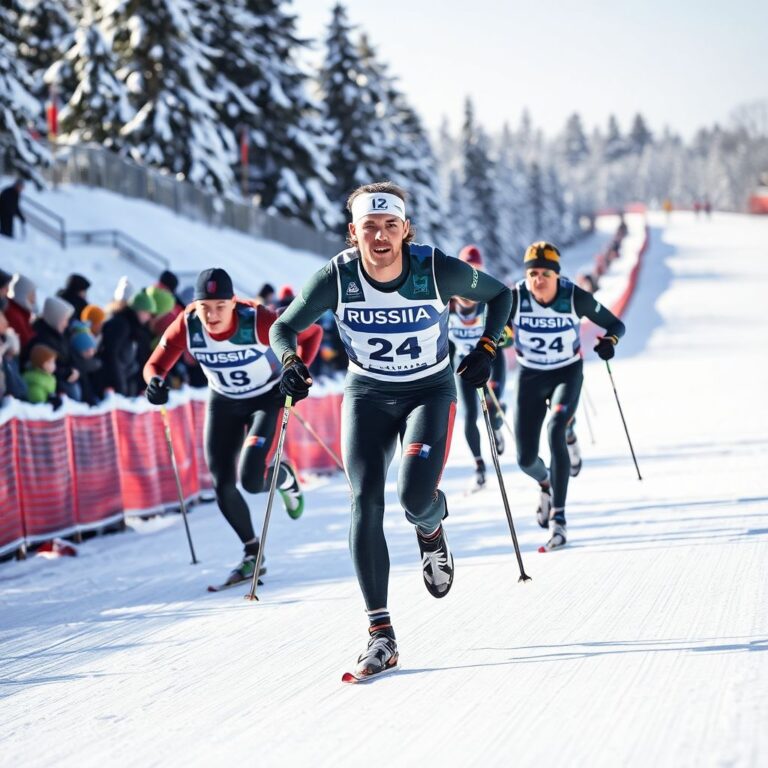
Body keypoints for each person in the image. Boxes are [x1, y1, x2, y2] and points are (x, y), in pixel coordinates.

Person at [269, 181, 512, 680]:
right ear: (353, 233)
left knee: (414, 498)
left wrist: (487, 349)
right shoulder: (337, 277)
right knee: (366, 501)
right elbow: (281, 328)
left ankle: (431, 525)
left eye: (390, 226)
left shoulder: (433, 268)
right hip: (367, 396)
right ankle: (381, 635)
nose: (380, 237)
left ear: (405, 230)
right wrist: (290, 360)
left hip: (430, 391)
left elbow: (501, 296)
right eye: (369, 227)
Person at [143, 268, 323, 588]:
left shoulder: (259, 319)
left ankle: (284, 476)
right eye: (204, 307)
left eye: (219, 307)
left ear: (232, 302)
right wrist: (155, 382)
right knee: (222, 484)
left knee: (252, 480)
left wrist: (298, 373)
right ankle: (252, 553)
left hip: (267, 398)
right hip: (224, 402)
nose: (211, 316)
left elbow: (312, 334)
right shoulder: (188, 324)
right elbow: (155, 364)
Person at [508, 242, 625, 551]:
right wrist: (493, 343)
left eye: (546, 273)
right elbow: (495, 330)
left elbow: (615, 324)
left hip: (566, 373)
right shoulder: (515, 297)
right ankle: (545, 483)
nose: (539, 280)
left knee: (555, 428)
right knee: (525, 459)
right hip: (530, 377)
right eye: (533, 273)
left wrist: (609, 341)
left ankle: (559, 519)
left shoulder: (574, 297)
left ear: (557, 275)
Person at [448, 244, 509, 491]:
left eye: (477, 271)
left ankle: (497, 425)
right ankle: (479, 466)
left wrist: (504, 335)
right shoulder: (448, 305)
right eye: (467, 271)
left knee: (491, 411)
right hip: (464, 368)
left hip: (491, 365)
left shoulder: (489, 302)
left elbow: (506, 338)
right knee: (471, 416)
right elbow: (445, 344)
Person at [5, 273, 37, 349]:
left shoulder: (23, 313)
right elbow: (26, 342)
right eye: (32, 294)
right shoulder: (15, 315)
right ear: (23, 294)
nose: (34, 299)